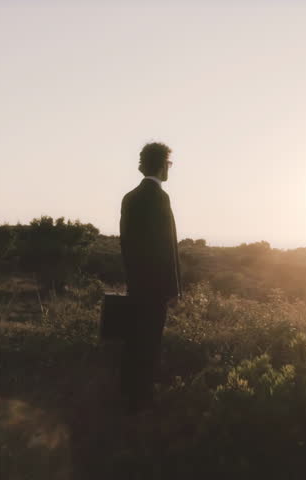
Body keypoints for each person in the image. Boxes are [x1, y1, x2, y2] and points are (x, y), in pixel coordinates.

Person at [119, 142, 182, 414]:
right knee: (150, 345)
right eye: (169, 164)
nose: (169, 169)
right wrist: (174, 289)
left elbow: (126, 245)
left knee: (133, 343)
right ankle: (142, 402)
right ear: (161, 164)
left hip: (136, 284)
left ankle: (127, 398)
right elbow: (166, 246)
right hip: (155, 288)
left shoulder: (129, 197)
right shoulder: (159, 197)